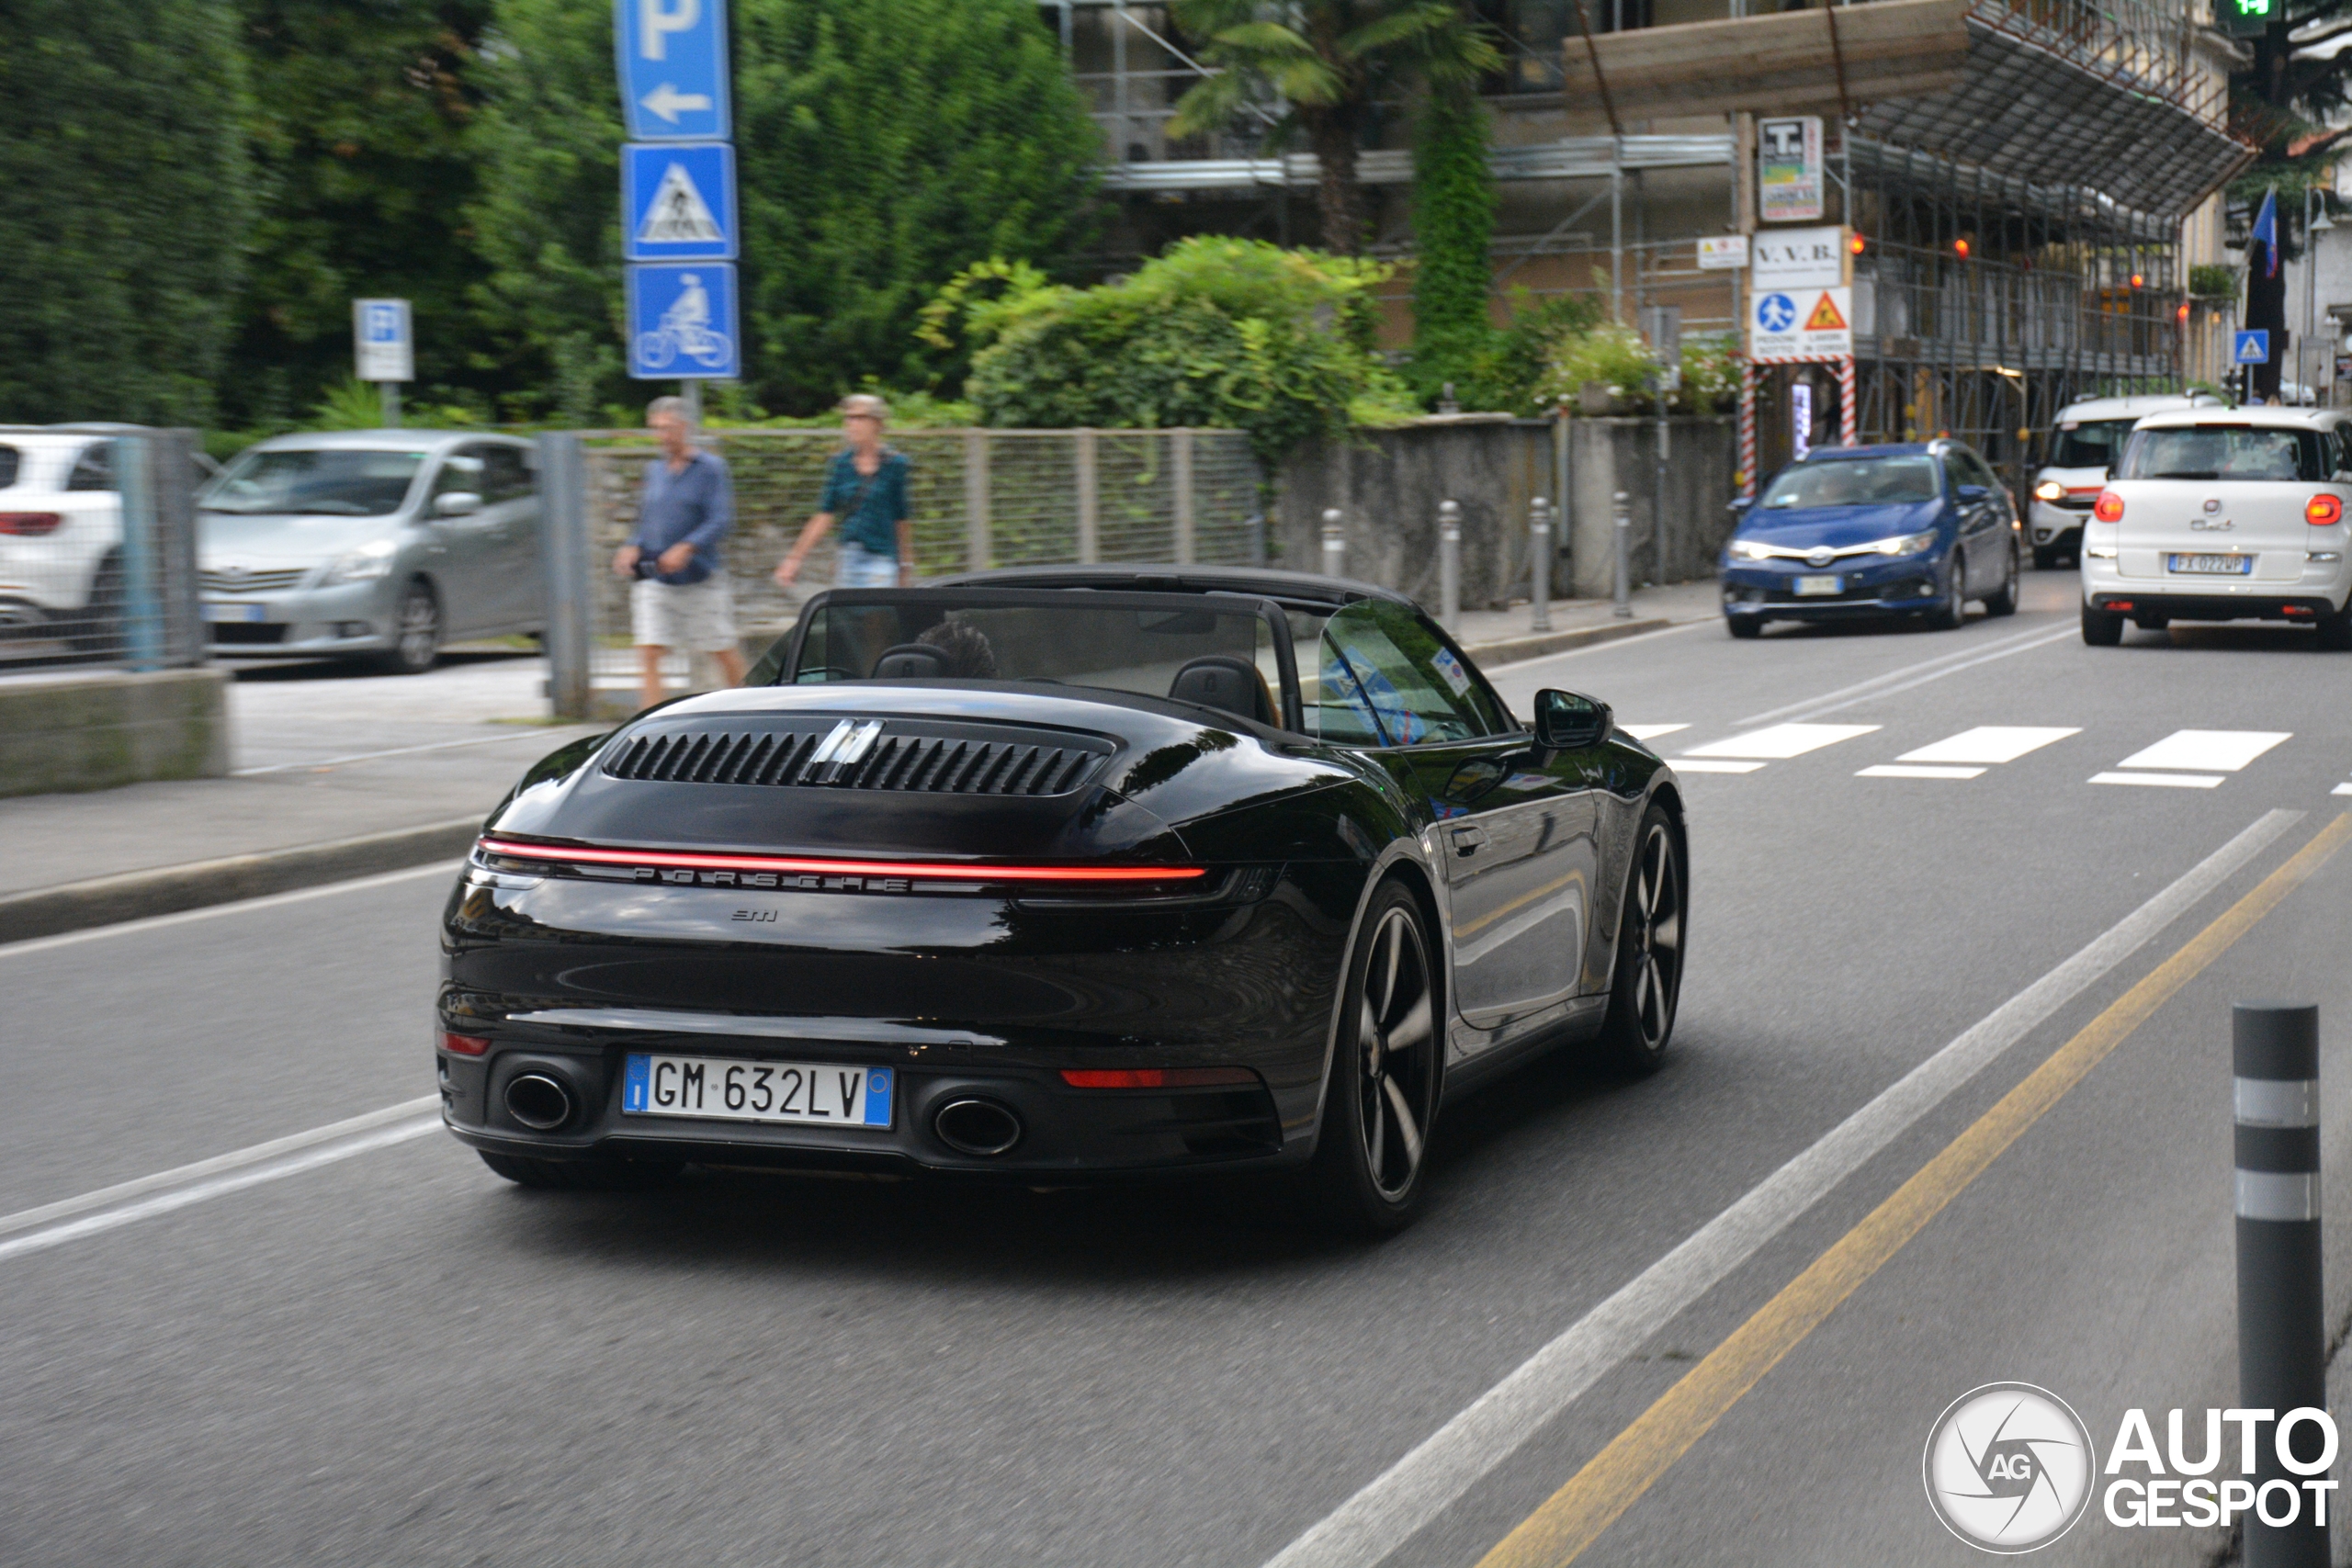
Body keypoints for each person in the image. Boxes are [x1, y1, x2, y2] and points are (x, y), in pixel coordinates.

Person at [613, 395, 746, 712]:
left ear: (685, 427)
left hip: (700, 577)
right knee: (648, 650)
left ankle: (755, 711)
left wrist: (687, 546)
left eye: (668, 428)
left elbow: (721, 519)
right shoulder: (655, 470)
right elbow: (648, 518)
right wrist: (632, 544)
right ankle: (646, 731)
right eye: (656, 429)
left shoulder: (711, 469)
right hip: (656, 577)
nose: (662, 436)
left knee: (722, 649)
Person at [775, 394, 912, 589]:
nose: (852, 423)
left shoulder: (895, 464)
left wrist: (905, 564)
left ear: (877, 423)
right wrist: (794, 559)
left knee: (875, 612)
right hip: (849, 558)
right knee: (848, 616)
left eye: (860, 417)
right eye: (849, 417)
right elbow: (825, 514)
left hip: (881, 558)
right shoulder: (842, 464)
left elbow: (901, 517)